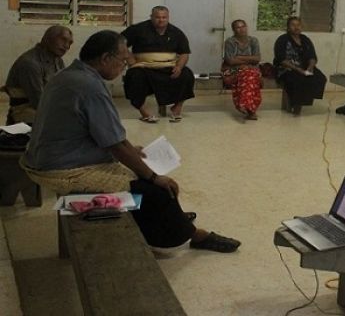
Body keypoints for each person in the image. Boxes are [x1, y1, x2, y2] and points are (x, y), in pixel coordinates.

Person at [21, 30, 240, 253]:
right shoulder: (90, 86)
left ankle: (175, 219)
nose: (123, 67)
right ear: (106, 58)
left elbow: (98, 133)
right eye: (123, 61)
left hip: (44, 156)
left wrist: (131, 152)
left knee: (144, 179)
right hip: (62, 169)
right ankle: (193, 235)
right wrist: (154, 176)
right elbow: (116, 145)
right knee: (156, 190)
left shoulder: (71, 74)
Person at [121, 6, 195, 123]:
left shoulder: (176, 32)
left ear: (168, 18)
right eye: (157, 17)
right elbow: (120, 43)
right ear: (151, 17)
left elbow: (184, 53)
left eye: (164, 17)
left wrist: (179, 67)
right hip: (144, 68)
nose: (161, 20)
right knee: (134, 76)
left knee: (187, 74)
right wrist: (130, 60)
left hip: (168, 67)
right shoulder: (138, 29)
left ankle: (177, 108)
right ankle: (144, 112)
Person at [3, 26, 73, 125]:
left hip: (46, 107)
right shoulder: (30, 63)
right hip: (25, 113)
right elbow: (39, 102)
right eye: (63, 40)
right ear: (49, 38)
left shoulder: (57, 61)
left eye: (70, 43)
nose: (66, 46)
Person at [273, 17, 327, 115]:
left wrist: (310, 67)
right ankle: (296, 105)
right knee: (298, 79)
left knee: (320, 78)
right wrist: (298, 69)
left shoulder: (305, 39)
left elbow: (312, 56)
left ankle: (304, 101)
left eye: (298, 25)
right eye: (293, 25)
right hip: (287, 68)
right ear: (288, 27)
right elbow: (281, 59)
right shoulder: (282, 40)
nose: (296, 27)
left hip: (304, 67)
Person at [222, 19, 262, 120]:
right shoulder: (230, 42)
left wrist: (239, 57)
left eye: (243, 26)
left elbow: (257, 58)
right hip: (233, 69)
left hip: (252, 69)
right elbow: (230, 61)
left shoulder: (253, 40)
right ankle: (250, 109)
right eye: (238, 27)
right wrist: (249, 60)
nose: (242, 29)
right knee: (249, 75)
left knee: (250, 74)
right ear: (234, 30)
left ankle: (245, 106)